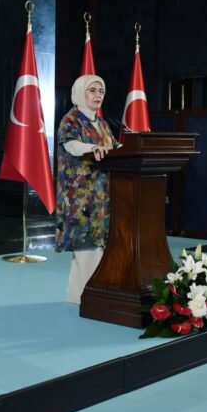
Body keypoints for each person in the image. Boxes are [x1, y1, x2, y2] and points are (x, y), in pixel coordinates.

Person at [55, 74, 119, 304]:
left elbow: (116, 148)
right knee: (87, 247)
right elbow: (71, 145)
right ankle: (95, 300)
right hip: (79, 198)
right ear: (80, 93)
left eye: (100, 91)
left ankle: (77, 297)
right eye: (92, 90)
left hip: (101, 197)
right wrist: (92, 147)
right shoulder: (70, 120)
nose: (97, 95)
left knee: (89, 251)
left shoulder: (102, 123)